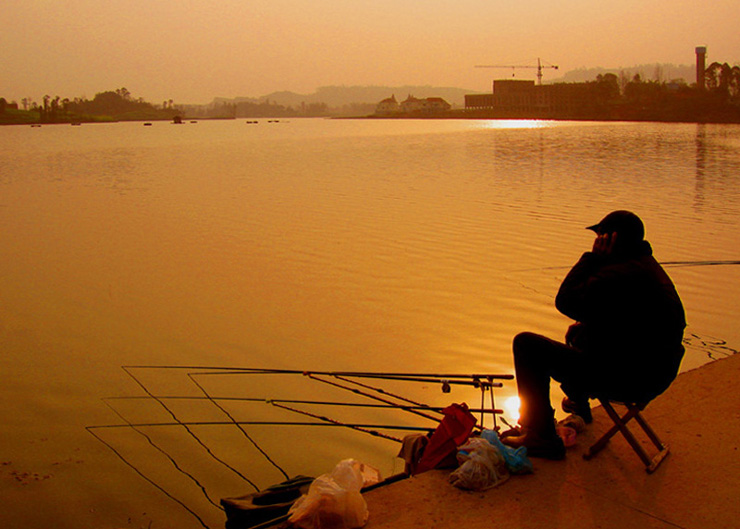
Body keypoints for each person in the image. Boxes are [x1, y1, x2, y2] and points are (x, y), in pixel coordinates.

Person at [502, 210, 686, 459]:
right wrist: (588, 324)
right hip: (657, 373)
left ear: (611, 240)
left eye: (600, 237)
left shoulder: (617, 274)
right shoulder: (647, 268)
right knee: (581, 333)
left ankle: (542, 437)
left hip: (629, 380)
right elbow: (627, 318)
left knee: (526, 345)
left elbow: (565, 300)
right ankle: (580, 404)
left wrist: (592, 258)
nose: (596, 241)